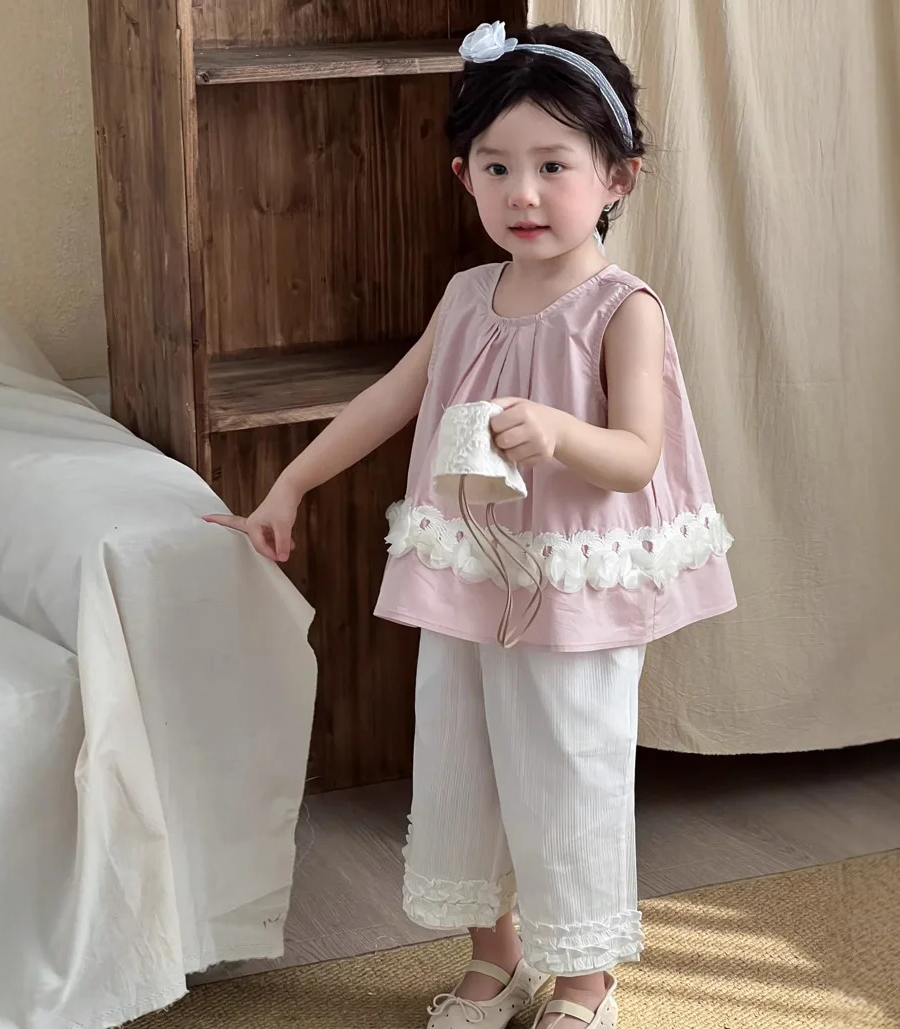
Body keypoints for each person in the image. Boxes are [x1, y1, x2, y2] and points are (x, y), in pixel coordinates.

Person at [206, 19, 736, 1029]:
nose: (522, 192)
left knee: (568, 771)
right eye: (496, 167)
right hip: (468, 575)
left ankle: (583, 979)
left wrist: (561, 433)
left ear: (616, 177)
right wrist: (291, 486)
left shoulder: (622, 309)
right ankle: (496, 957)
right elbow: (389, 399)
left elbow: (637, 455)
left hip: (568, 586)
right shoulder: (465, 298)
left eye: (552, 165)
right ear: (465, 177)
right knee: (463, 763)